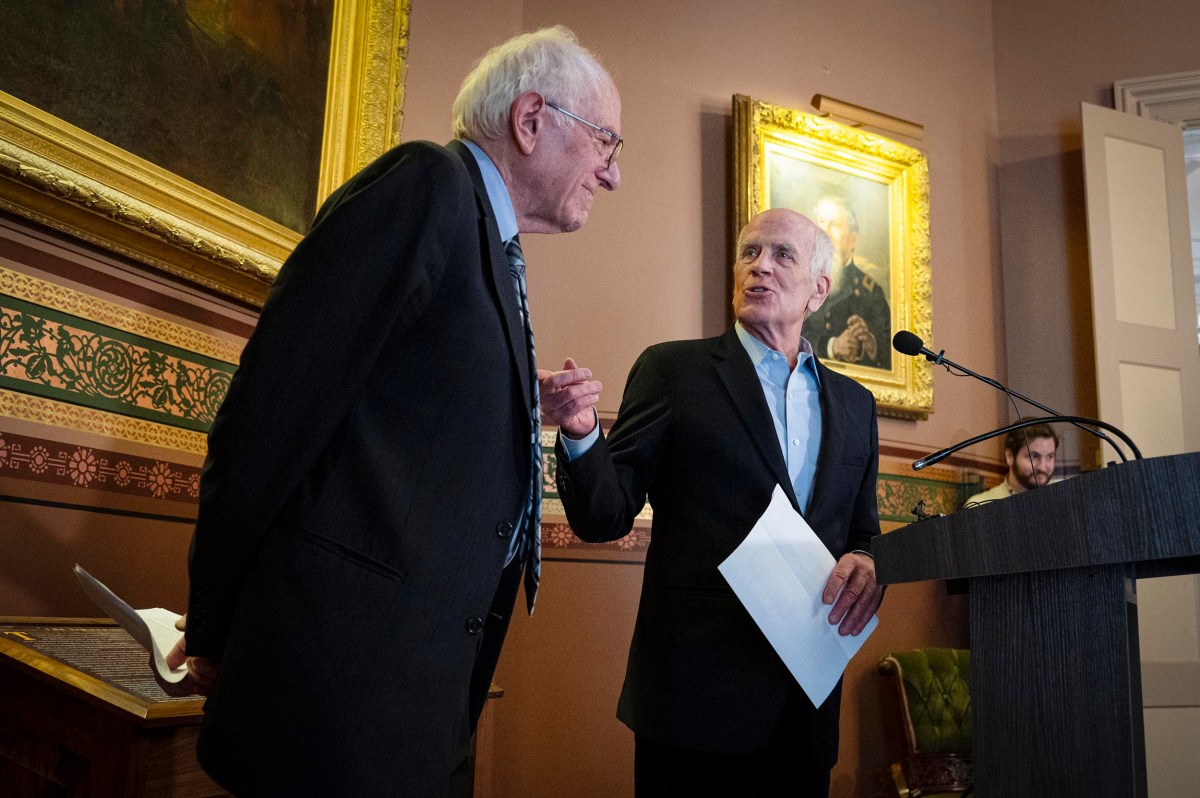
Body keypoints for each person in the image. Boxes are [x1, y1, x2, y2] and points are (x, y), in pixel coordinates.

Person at [167, 26, 622, 796]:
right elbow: (271, 411)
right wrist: (213, 622)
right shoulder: (427, 186)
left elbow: (409, 406)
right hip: (336, 697)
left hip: (412, 696)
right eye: (605, 140)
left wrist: (516, 403)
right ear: (530, 119)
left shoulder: (486, 239)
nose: (612, 174)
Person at [539, 208, 883, 796]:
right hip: (693, 704)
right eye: (750, 253)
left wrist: (868, 561)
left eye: (782, 255)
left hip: (804, 711)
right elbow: (605, 515)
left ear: (819, 290)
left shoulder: (856, 404)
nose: (760, 267)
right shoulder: (674, 371)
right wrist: (580, 432)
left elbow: (862, 533)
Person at [802, 195, 892, 369]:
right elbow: (784, 336)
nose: (825, 232)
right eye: (821, 223)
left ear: (853, 240)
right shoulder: (800, 282)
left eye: (834, 225)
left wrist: (870, 343)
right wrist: (832, 346)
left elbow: (892, 356)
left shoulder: (871, 292)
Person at [962, 419, 1060, 507]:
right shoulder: (981, 505)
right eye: (1033, 456)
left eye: (1049, 457)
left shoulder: (1063, 494)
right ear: (1010, 456)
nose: (1042, 467)